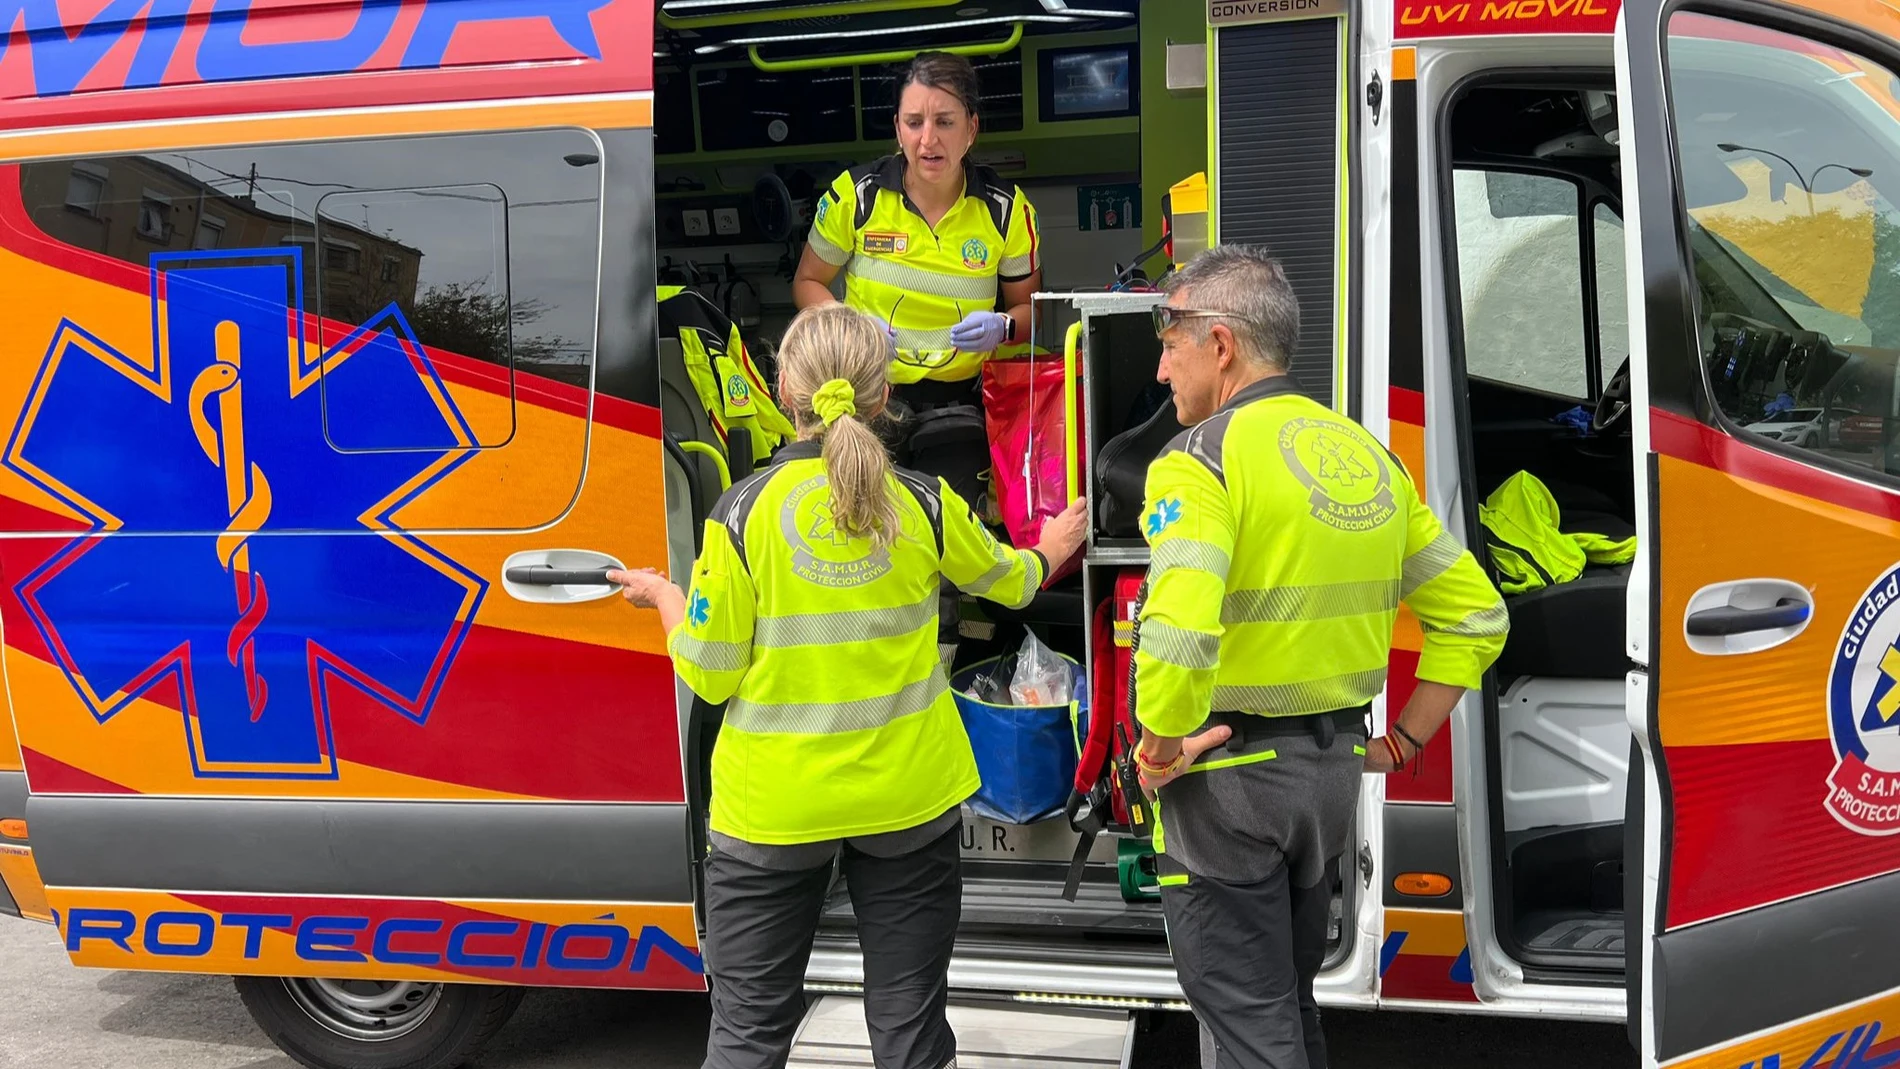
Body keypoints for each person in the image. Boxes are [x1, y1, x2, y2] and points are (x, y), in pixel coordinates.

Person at [607, 303, 1087, 1069]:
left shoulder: (741, 511)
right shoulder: (924, 501)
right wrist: (1052, 542)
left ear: (782, 387)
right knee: (910, 1033)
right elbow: (1013, 582)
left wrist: (665, 598)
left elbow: (710, 669)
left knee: (749, 1034)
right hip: (907, 799)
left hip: (772, 809)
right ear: (885, 388)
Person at [1125, 245, 1509, 1069]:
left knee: (1251, 1025)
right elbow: (1476, 616)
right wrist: (1400, 742)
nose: (1162, 369)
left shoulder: (1198, 461)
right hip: (1328, 779)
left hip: (1225, 780)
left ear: (1220, 343)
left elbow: (1181, 629)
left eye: (1169, 341)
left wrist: (1159, 744)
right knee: (1287, 1005)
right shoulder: (1369, 457)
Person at [793, 50, 1045, 663]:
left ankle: (944, 664)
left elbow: (1034, 312)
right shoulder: (854, 198)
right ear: (897, 127)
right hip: (861, 399)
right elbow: (807, 284)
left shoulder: (1007, 212)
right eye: (912, 122)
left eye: (944, 122)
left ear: (972, 129)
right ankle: (860, 659)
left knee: (942, 539)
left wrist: (1003, 327)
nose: (926, 139)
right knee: (853, 535)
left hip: (960, 403)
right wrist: (849, 322)